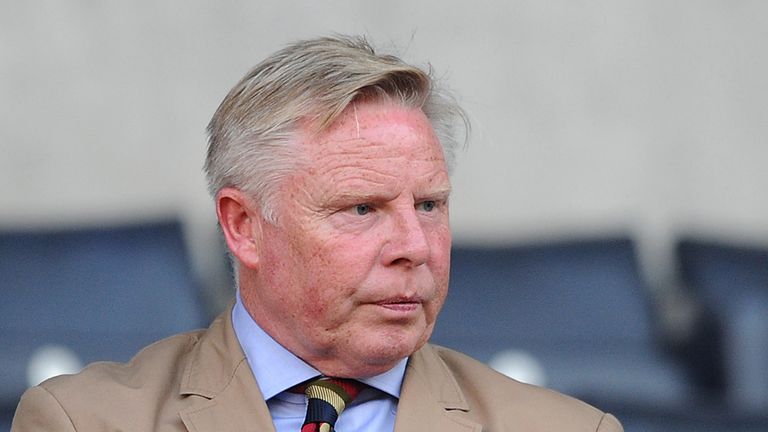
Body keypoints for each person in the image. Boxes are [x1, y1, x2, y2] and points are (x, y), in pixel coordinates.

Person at [12, 35, 623, 432]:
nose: (415, 245)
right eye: (362, 209)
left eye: (430, 204)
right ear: (243, 226)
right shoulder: (83, 422)